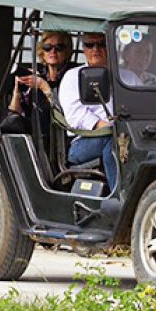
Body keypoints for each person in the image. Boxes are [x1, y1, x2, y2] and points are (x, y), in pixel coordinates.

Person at [57, 31, 117, 191]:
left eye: (101, 44)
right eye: (90, 45)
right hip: (84, 141)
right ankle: (119, 197)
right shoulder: (72, 77)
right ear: (83, 49)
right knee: (113, 143)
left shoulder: (126, 76)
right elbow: (75, 116)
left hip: (128, 135)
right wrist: (107, 127)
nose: (95, 49)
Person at [1, 31, 75, 132]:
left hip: (60, 133)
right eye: (47, 47)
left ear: (66, 51)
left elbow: (66, 113)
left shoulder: (72, 76)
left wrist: (44, 86)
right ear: (42, 51)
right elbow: (15, 113)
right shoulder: (38, 73)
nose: (52, 51)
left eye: (59, 47)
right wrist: (17, 93)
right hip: (35, 134)